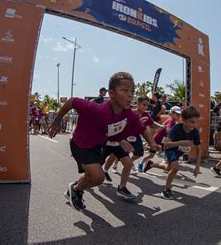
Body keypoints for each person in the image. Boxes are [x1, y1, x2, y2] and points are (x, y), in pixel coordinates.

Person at [48, 72, 159, 211]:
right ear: (112, 94)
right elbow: (72, 101)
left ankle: (76, 188)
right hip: (81, 144)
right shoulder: (96, 109)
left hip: (99, 145)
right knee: (98, 177)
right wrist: (57, 121)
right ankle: (76, 189)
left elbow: (142, 128)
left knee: (91, 175)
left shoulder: (129, 114)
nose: (130, 94)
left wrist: (152, 142)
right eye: (125, 90)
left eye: (132, 91)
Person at [143, 106, 202, 199]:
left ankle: (151, 164)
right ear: (183, 119)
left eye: (196, 122)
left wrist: (197, 166)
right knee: (175, 167)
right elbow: (166, 144)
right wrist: (182, 142)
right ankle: (166, 189)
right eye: (191, 122)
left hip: (179, 151)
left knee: (168, 167)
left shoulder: (195, 131)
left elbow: (199, 148)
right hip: (170, 148)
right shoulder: (176, 128)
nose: (193, 125)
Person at [102, 96, 156, 183]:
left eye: (147, 106)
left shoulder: (146, 115)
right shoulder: (130, 113)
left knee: (138, 153)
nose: (145, 107)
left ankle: (126, 166)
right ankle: (106, 169)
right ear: (137, 104)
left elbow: (152, 124)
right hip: (124, 136)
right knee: (114, 155)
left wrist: (162, 128)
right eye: (144, 105)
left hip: (136, 136)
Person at [140, 106, 182, 172]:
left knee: (153, 155)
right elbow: (169, 131)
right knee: (151, 155)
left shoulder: (173, 121)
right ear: (172, 113)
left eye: (179, 115)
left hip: (161, 141)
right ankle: (142, 163)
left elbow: (163, 130)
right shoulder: (171, 121)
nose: (179, 116)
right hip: (157, 140)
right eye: (177, 114)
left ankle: (164, 165)